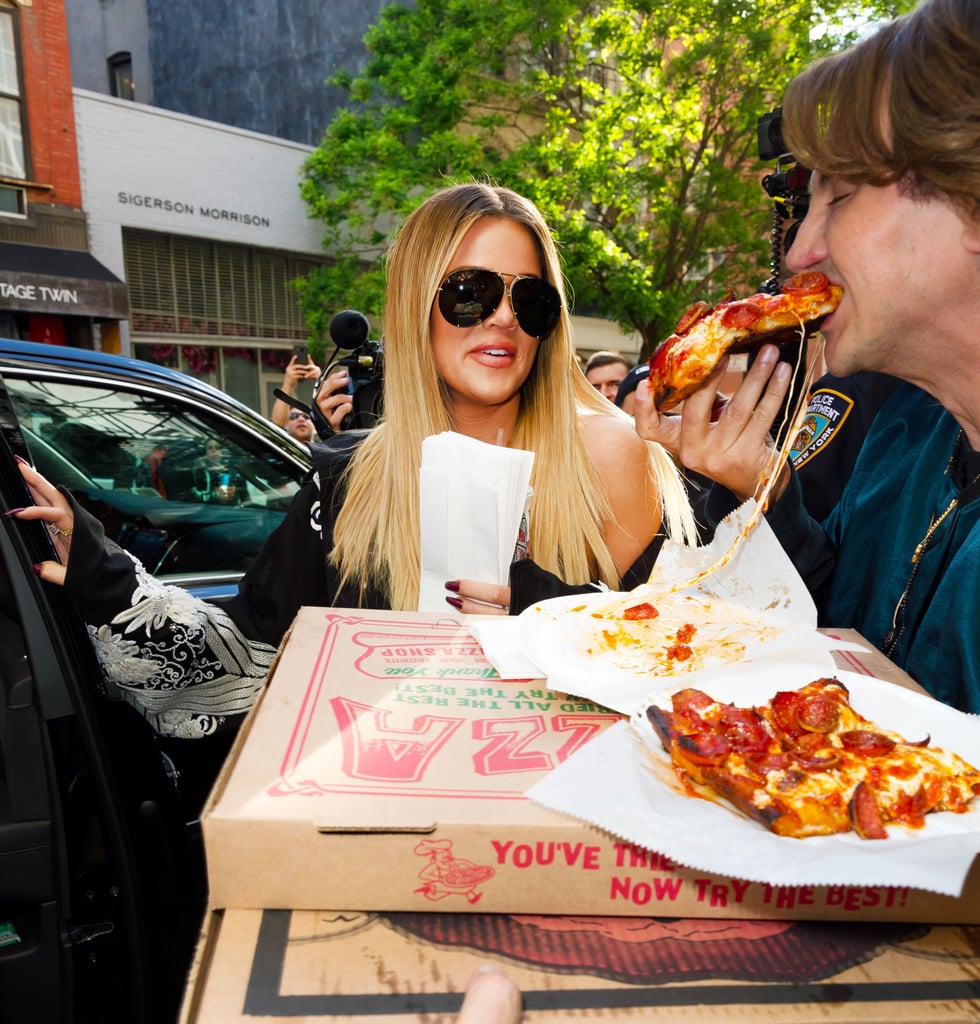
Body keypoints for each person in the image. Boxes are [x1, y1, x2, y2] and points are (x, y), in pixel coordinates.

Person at [10, 182, 697, 742]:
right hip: (385, 818)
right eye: (470, 292)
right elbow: (250, 654)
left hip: (561, 840)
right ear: (413, 305)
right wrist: (97, 571)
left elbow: (667, 670)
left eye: (529, 297)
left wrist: (542, 615)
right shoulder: (351, 478)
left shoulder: (605, 456)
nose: (503, 319)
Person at [634, 0, 980, 714]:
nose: (798, 252)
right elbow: (835, 637)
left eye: (841, 197)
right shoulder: (906, 433)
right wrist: (762, 486)